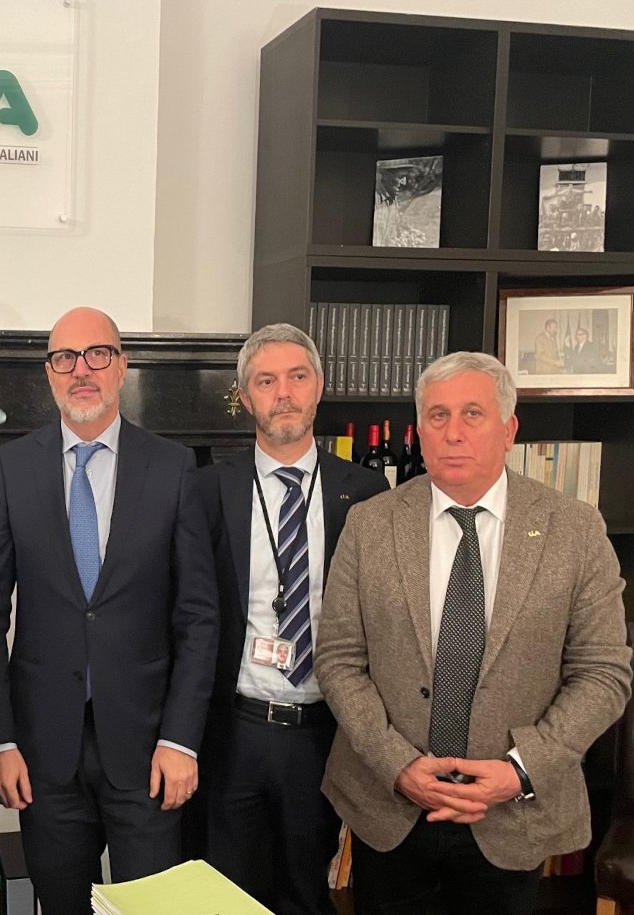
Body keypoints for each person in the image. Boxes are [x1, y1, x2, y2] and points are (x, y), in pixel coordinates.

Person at [316, 352, 632, 915]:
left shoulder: (575, 530)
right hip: (390, 809)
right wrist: (396, 764)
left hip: (510, 815)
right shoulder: (370, 524)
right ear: (420, 431)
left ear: (509, 430)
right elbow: (339, 660)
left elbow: (603, 674)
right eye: (437, 416)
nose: (453, 432)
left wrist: (520, 770)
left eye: (473, 414)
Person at [0, 306, 218, 915]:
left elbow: (197, 617)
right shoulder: (12, 467)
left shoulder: (173, 466)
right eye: (65, 358)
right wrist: (1, 740)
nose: (81, 370)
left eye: (97, 354)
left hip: (148, 750)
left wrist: (181, 740)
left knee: (151, 910)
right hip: (43, 754)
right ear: (49, 373)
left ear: (121, 365)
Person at [193, 324, 387, 915]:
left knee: (307, 890)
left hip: (323, 732)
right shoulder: (208, 489)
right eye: (266, 381)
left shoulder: (366, 491)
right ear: (245, 397)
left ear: (319, 387)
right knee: (227, 898)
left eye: (297, 377)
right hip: (235, 731)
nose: (284, 393)